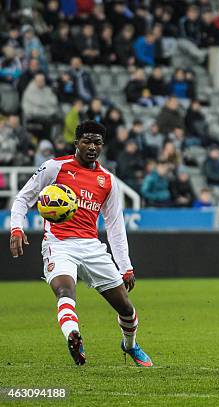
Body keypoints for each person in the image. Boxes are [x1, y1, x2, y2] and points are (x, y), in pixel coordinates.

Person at [9, 120, 152, 367]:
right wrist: (17, 228)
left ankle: (129, 345)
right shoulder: (54, 168)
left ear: (103, 146)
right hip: (59, 244)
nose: (92, 147)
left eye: (97, 142)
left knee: (126, 309)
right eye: (86, 141)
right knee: (65, 291)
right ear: (76, 143)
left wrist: (125, 266)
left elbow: (116, 227)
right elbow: (23, 199)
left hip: (92, 247)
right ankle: (74, 336)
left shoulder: (107, 181)